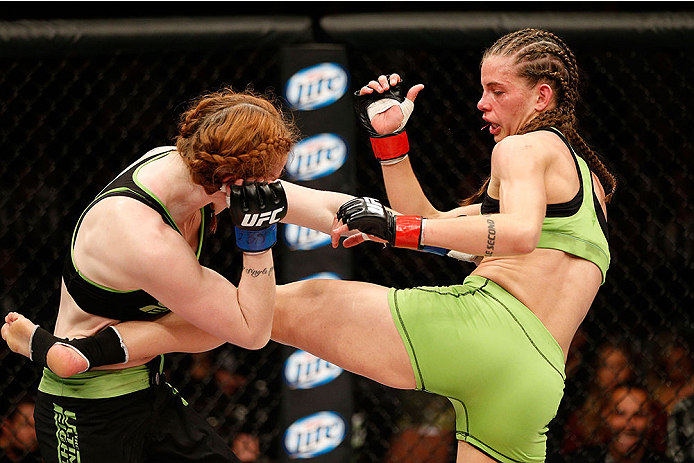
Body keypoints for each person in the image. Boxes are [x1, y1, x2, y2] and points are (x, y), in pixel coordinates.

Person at [4, 28, 616, 463]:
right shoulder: (589, 184)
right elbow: (431, 223)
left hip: (489, 329)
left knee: (289, 306)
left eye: (498, 90)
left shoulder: (522, 149)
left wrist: (385, 231)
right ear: (234, 176)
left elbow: (503, 234)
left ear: (543, 96)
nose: (481, 103)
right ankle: (79, 353)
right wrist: (390, 148)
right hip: (537, 381)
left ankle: (78, 350)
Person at [0, 86, 361, 463]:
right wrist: (257, 240)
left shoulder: (190, 169)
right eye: (269, 179)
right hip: (85, 410)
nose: (274, 188)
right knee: (236, 319)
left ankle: (78, 352)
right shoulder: (144, 236)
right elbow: (252, 332)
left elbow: (312, 204)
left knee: (214, 323)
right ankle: (71, 352)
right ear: (230, 178)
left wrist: (389, 221)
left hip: (149, 390)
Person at [565, 382, 671, 463]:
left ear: (650, 419)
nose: (629, 424)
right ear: (606, 416)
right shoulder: (581, 460)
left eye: (639, 415)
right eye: (620, 413)